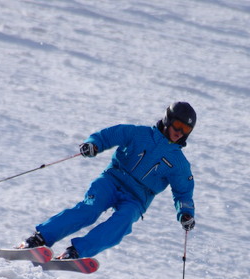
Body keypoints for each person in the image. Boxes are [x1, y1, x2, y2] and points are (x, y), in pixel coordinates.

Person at [18, 101, 197, 260]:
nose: (180, 132)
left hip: (137, 198)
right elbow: (108, 136)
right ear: (167, 120)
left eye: (186, 130)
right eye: (177, 125)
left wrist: (186, 212)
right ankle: (39, 238)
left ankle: (75, 252)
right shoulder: (138, 134)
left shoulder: (178, 163)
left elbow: (183, 191)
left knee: (123, 221)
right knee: (90, 209)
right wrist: (93, 144)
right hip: (112, 181)